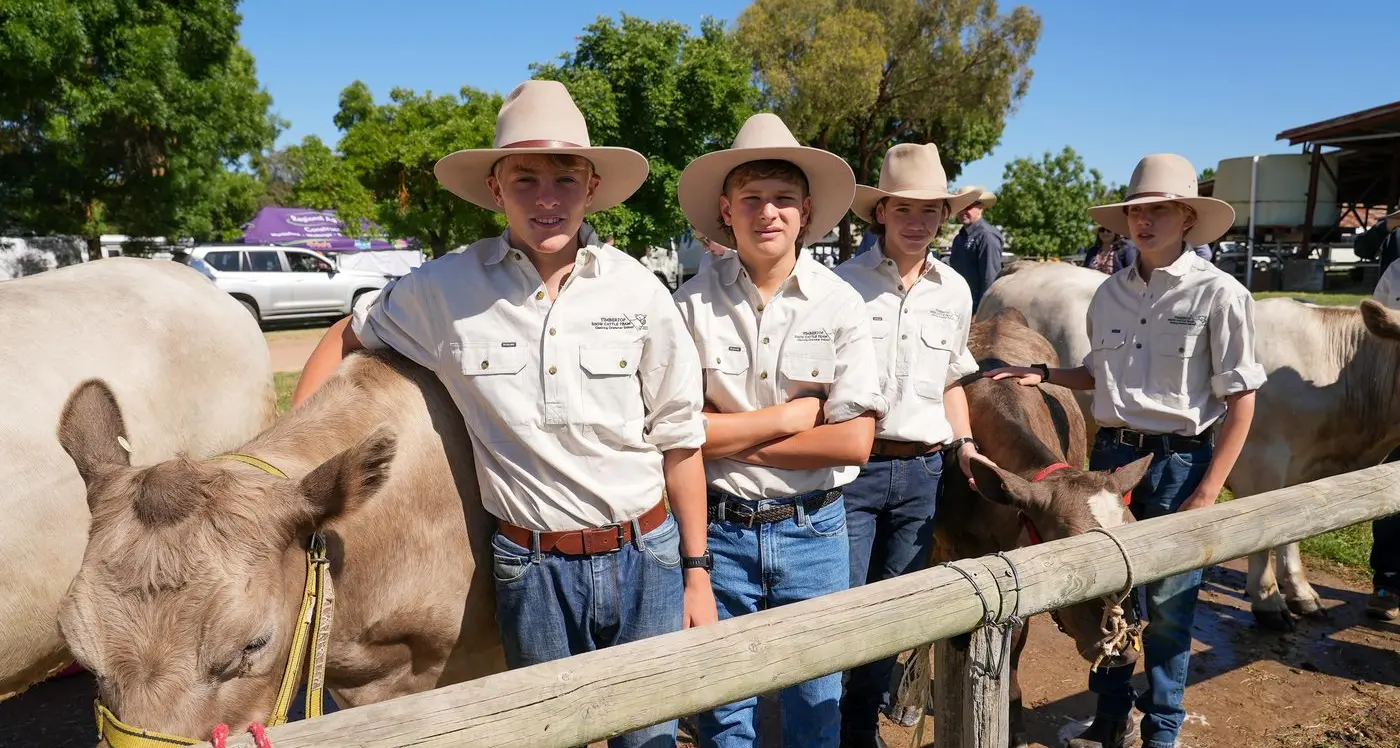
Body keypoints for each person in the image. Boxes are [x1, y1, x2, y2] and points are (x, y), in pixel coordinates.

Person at [291, 79, 717, 748]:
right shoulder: (443, 289)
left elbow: (681, 444)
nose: (547, 197)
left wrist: (696, 572)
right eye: (525, 178)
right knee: (548, 735)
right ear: (495, 189)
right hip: (532, 567)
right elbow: (348, 333)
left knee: (651, 738)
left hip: (648, 558)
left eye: (565, 177)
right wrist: (301, 455)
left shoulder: (642, 292)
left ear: (592, 186)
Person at [986, 153, 1265, 748]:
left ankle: (1162, 730)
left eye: (1158, 210)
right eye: (1137, 210)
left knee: (1169, 601)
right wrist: (1046, 374)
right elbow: (1100, 373)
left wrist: (1208, 490)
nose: (1144, 220)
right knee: (1108, 591)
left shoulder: (1222, 295)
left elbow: (1241, 401)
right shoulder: (1109, 293)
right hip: (1112, 461)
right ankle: (1110, 718)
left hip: (1180, 461)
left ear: (1187, 216)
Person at [672, 112, 885, 748]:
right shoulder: (689, 305)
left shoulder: (840, 302)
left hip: (815, 531)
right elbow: (676, 438)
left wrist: (725, 429)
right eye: (752, 199)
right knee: (721, 717)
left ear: (806, 210)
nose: (769, 212)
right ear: (725, 210)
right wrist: (792, 417)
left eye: (784, 199)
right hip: (720, 531)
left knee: (816, 715)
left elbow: (854, 443)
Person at [833, 142, 989, 748]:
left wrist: (967, 443)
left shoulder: (953, 291)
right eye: (905, 209)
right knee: (844, 605)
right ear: (882, 212)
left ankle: (861, 722)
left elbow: (951, 378)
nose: (918, 221)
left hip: (924, 470)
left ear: (944, 217)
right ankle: (838, 723)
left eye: (931, 211)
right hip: (854, 468)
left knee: (896, 607)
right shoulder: (840, 285)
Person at [1367, 207, 1400, 622]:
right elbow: (1374, 324)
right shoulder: (1396, 271)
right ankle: (1388, 580)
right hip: (1396, 402)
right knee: (1392, 492)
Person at [948, 190, 1004, 312]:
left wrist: (981, 312)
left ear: (980, 209)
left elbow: (990, 278)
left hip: (976, 309)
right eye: (961, 207)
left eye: (968, 206)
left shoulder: (987, 236)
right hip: (958, 305)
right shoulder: (959, 238)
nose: (963, 211)